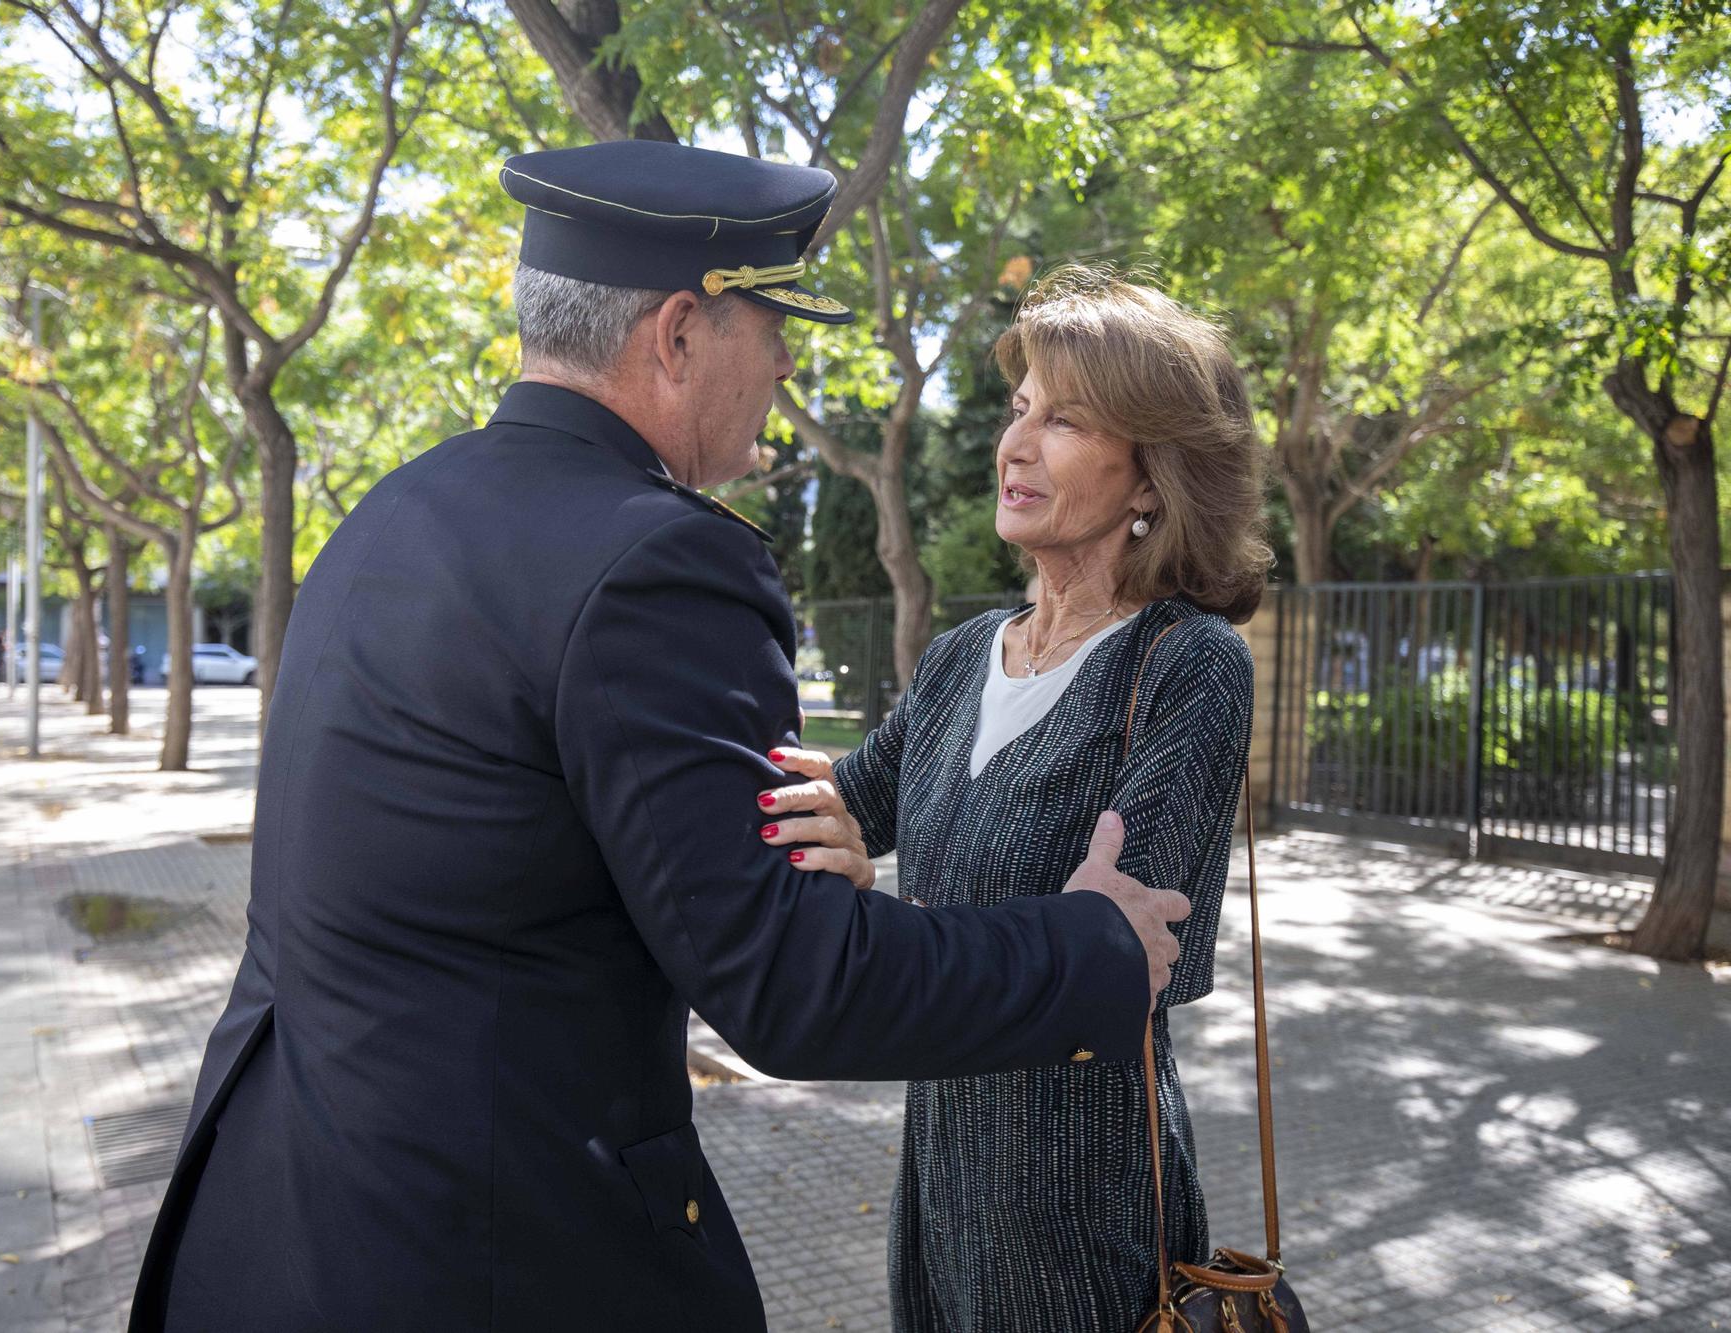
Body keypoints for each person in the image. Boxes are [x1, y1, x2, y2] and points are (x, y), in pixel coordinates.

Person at [127, 145, 1189, 1332]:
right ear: (679, 334)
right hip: (488, 1257)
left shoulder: (398, 508)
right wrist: (1092, 946)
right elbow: (791, 989)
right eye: (770, 321)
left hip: (274, 1226)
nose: (786, 362)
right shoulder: (658, 560)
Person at [761, 267, 1270, 1331]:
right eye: (1017, 409)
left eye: (1065, 419)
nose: (1014, 443)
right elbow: (831, 816)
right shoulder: (957, 661)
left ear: (1147, 479)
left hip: (1081, 1212)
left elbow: (1127, 951)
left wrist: (893, 924)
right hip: (937, 1189)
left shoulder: (1186, 665)